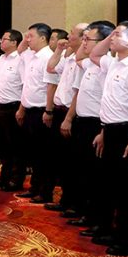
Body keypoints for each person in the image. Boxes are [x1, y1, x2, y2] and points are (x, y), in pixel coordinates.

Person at [88, 21, 128, 257]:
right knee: (111, 184)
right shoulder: (114, 62)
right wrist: (104, 131)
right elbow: (94, 53)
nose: (111, 38)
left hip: (127, 132)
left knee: (127, 189)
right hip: (111, 130)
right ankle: (114, 232)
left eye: (117, 35)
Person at [63, 20, 115, 235]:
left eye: (88, 39)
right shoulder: (90, 64)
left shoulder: (107, 65)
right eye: (82, 38)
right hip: (83, 123)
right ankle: (87, 212)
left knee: (97, 175)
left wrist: (103, 130)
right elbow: (78, 58)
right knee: (83, 170)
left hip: (97, 125)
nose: (83, 42)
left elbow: (109, 102)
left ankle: (100, 220)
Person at [44, 22, 87, 215]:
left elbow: (79, 93)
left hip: (73, 113)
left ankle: (76, 203)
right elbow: (51, 67)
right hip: (60, 111)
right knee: (62, 160)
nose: (68, 36)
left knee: (74, 162)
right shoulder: (69, 57)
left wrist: (69, 118)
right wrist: (59, 50)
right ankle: (66, 200)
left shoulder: (84, 61)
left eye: (72, 33)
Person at [16, 23, 54, 202]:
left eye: (31, 36)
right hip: (29, 111)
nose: (27, 39)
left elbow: (51, 87)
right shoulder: (31, 55)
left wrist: (49, 111)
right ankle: (34, 187)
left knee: (43, 154)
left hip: (41, 111)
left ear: (43, 38)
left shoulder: (48, 57)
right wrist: (22, 108)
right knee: (33, 153)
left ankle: (45, 192)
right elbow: (20, 50)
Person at [0, 29, 26, 191]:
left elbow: (26, 85)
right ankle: (4, 177)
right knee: (3, 146)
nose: (1, 41)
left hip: (14, 107)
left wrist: (22, 109)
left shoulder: (20, 60)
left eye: (4, 39)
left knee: (16, 146)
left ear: (14, 42)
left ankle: (16, 179)